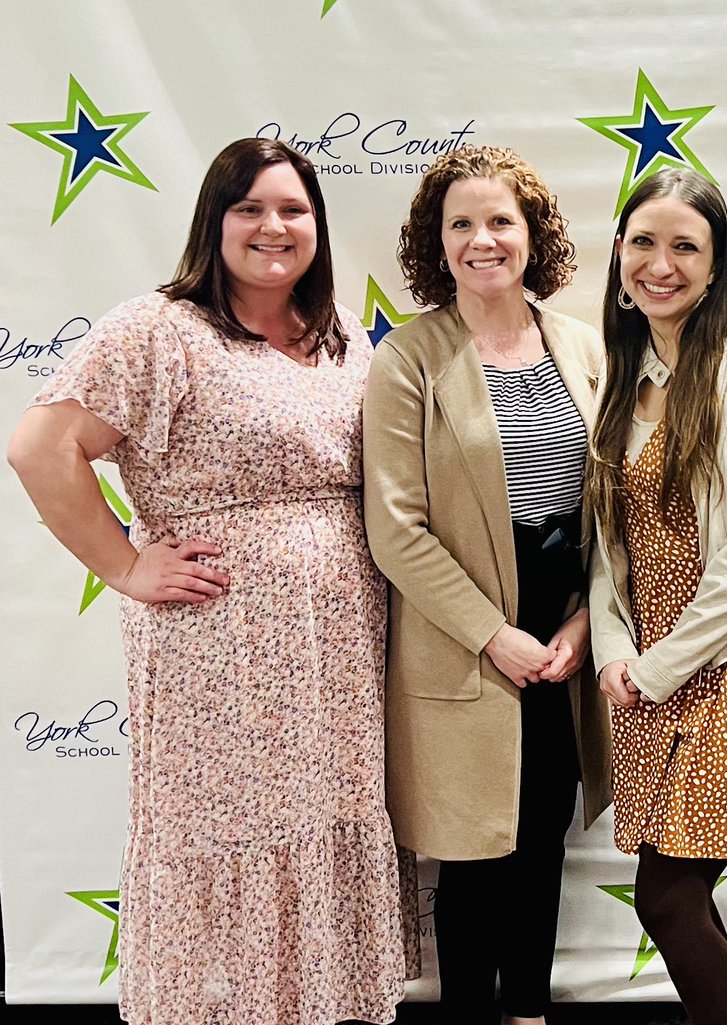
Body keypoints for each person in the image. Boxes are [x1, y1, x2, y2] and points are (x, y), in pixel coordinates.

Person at [6, 138, 419, 1025]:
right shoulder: (159, 329)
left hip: (336, 648)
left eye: (294, 210)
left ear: (318, 226)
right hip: (217, 649)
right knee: (223, 833)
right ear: (215, 222)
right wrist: (123, 562)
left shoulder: (343, 338)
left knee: (319, 824)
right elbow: (39, 447)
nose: (275, 226)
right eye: (251, 209)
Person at [362, 145, 611, 1025]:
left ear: (531, 234)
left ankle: (531, 1011)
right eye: (460, 223)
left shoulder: (580, 344)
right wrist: (490, 632)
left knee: (541, 844)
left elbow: (611, 503)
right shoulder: (409, 357)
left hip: (563, 631)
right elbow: (396, 526)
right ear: (438, 244)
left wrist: (585, 621)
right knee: (470, 858)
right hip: (463, 637)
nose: (482, 239)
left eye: (500, 220)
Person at [587, 168, 727, 1025]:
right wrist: (617, 651)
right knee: (676, 889)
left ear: (716, 267)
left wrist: (661, 663)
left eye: (687, 246)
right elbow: (611, 545)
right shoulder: (622, 371)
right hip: (646, 670)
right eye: (644, 241)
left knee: (669, 892)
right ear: (619, 253)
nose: (662, 263)